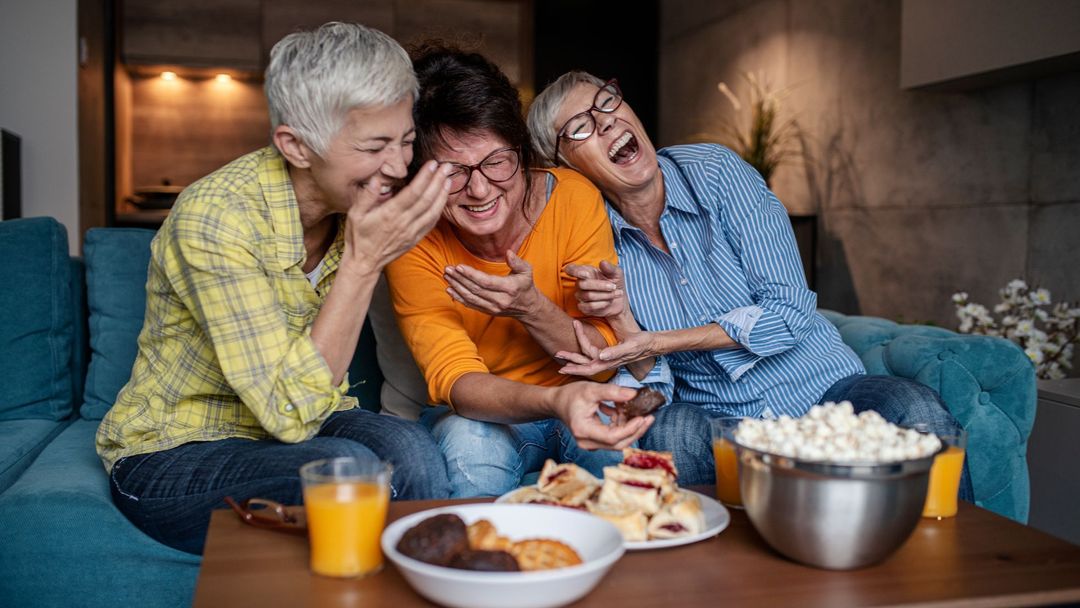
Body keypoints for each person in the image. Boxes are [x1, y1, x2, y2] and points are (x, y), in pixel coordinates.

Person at [96, 22, 455, 555]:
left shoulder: (358, 205)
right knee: (350, 473)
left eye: (405, 141)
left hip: (301, 425)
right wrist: (362, 263)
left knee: (413, 447)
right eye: (375, 145)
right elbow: (289, 414)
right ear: (296, 145)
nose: (400, 165)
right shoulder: (217, 218)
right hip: (173, 453)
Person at [527, 71, 973, 497]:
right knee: (670, 431)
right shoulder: (588, 240)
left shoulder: (716, 172)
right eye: (582, 127)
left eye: (607, 100)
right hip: (720, 418)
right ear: (565, 166)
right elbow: (655, 385)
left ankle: (952, 569)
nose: (607, 121)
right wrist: (624, 326)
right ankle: (714, 573)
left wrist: (660, 342)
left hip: (826, 394)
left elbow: (790, 310)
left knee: (916, 410)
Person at [384, 47, 657, 498]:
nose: (478, 189)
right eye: (452, 171)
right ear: (420, 174)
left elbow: (602, 364)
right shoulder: (413, 240)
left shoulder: (572, 197)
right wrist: (554, 400)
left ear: (521, 148)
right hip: (485, 415)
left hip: (586, 397)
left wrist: (530, 307)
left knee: (624, 481)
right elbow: (458, 381)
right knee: (469, 445)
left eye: (496, 161)